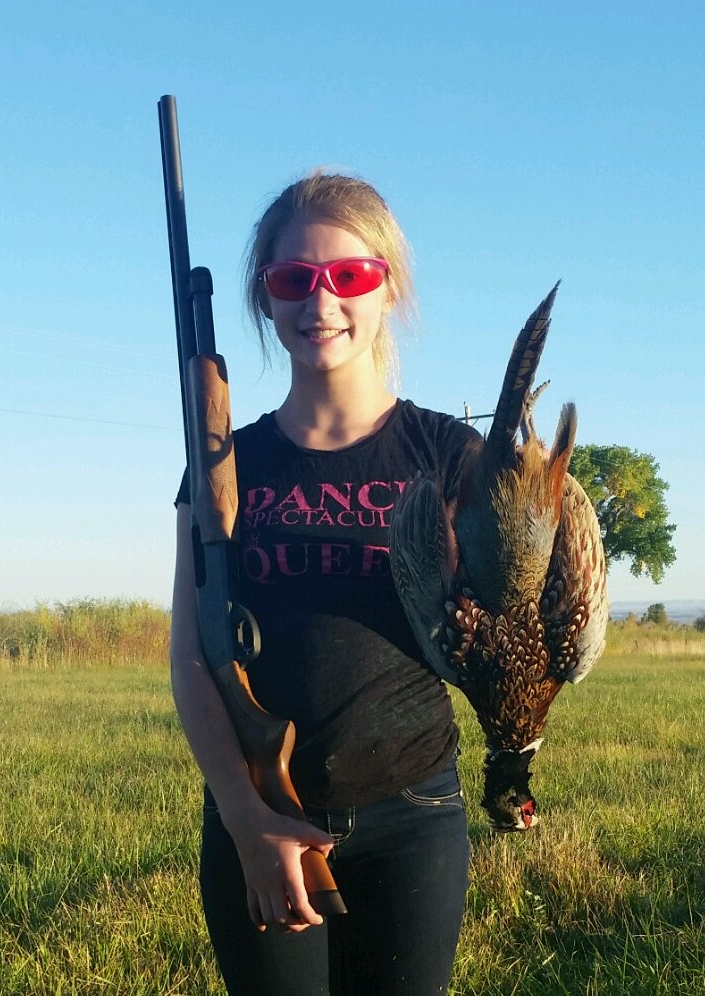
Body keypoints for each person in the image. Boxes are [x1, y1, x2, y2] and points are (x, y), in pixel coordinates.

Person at [170, 172, 481, 996]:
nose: (322, 301)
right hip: (261, 816)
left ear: (388, 288)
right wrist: (245, 819)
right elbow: (192, 661)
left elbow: (501, 624)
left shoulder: (449, 455)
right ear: (264, 298)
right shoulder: (223, 466)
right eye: (292, 279)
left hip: (414, 813)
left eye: (349, 276)